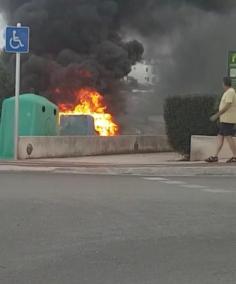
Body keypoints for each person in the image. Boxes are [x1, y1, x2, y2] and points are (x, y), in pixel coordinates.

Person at [206, 77, 236, 163]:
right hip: (225, 119)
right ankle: (215, 156)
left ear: (224, 83)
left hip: (228, 119)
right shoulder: (228, 92)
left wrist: (217, 115)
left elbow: (228, 105)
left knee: (228, 136)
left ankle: (235, 156)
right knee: (220, 136)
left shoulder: (230, 92)